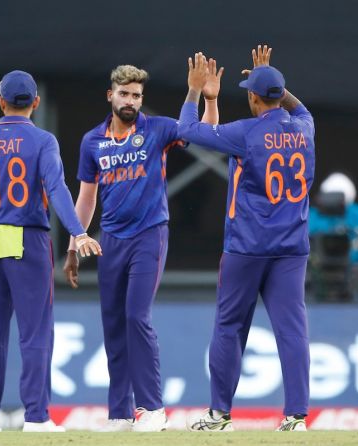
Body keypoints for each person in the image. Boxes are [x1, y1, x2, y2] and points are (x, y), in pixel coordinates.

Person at [62, 63, 220, 432]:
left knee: (136, 316)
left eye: (136, 95)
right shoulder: (92, 141)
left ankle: (152, 408)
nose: (131, 101)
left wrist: (206, 98)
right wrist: (73, 242)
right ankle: (119, 413)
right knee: (114, 325)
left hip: (150, 234)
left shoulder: (157, 128)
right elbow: (86, 199)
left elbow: (206, 133)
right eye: (124, 94)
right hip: (110, 240)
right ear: (110, 95)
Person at [179, 45, 314, 432]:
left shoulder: (246, 132)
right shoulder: (306, 126)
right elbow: (297, 106)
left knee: (229, 327)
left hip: (247, 246)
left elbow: (188, 131)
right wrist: (271, 79)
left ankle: (220, 415)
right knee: (292, 330)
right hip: (291, 249)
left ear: (253, 97)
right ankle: (296, 417)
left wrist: (194, 92)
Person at [0, 70, 102, 433]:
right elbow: (55, 188)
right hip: (29, 239)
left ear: (0, 101)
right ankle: (37, 417)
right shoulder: (43, 140)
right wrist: (79, 231)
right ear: (35, 103)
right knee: (35, 332)